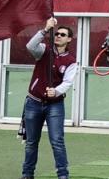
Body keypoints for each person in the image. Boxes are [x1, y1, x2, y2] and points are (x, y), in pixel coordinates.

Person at [21, 18, 78, 179]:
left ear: (69, 39)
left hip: (55, 105)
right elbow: (30, 46)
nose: (58, 36)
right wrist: (45, 29)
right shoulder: (44, 50)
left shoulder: (71, 61)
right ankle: (27, 174)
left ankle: (63, 175)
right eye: (57, 33)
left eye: (62, 34)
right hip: (33, 102)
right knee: (31, 143)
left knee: (57, 142)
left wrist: (57, 91)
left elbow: (67, 82)